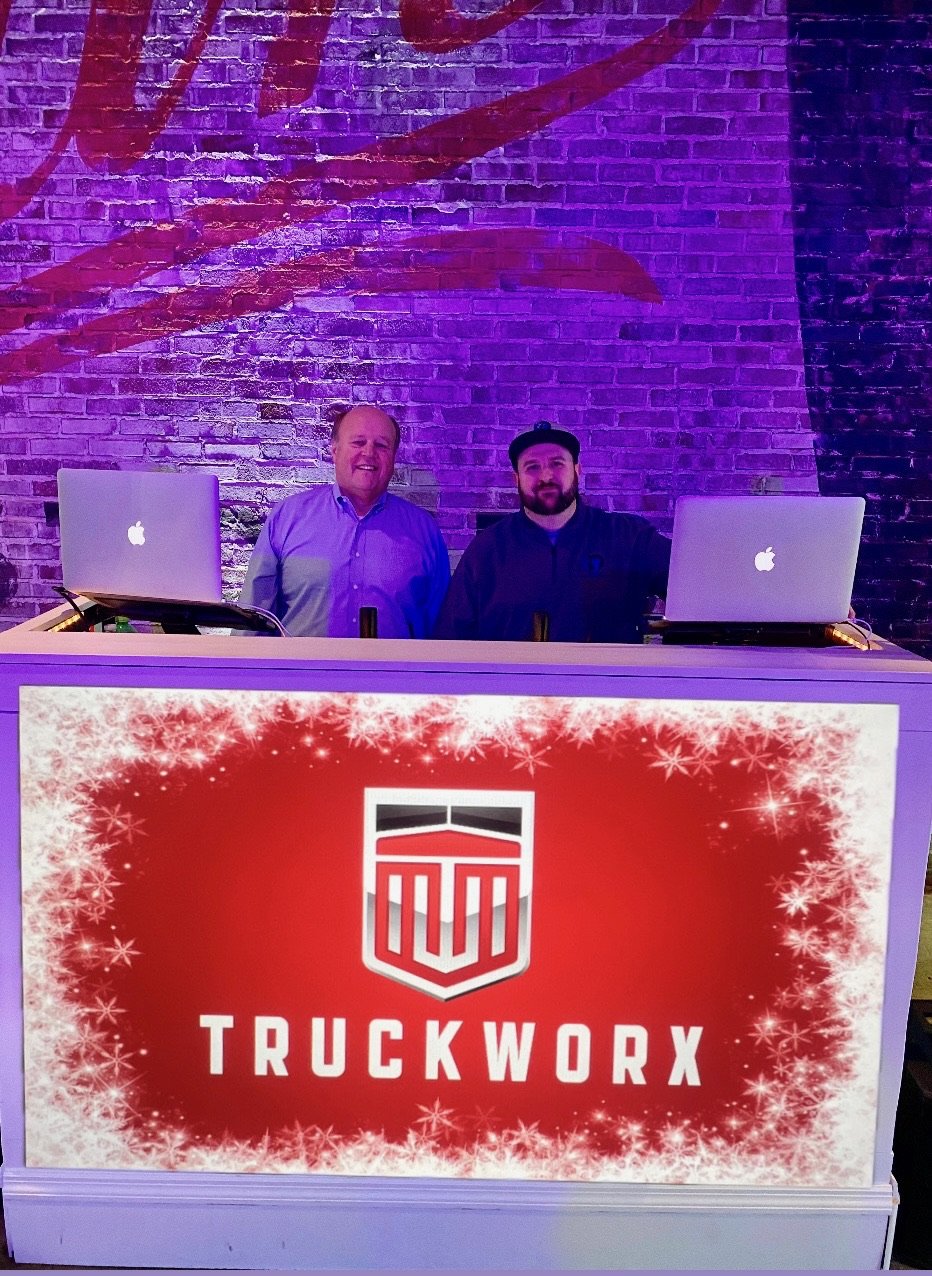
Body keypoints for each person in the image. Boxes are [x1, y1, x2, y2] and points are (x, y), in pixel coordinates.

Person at [433, 421, 670, 643]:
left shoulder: (629, 538)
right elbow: (451, 641)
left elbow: (694, 588)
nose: (546, 476)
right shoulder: (486, 551)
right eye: (532, 467)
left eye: (557, 463)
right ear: (516, 478)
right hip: (513, 686)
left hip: (607, 686)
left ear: (577, 470)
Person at [239, 405, 450, 637]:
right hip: (305, 673)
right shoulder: (288, 517)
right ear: (335, 451)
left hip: (393, 674)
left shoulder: (423, 531)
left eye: (381, 445)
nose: (369, 453)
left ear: (393, 458)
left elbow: (442, 632)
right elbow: (253, 620)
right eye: (358, 443)